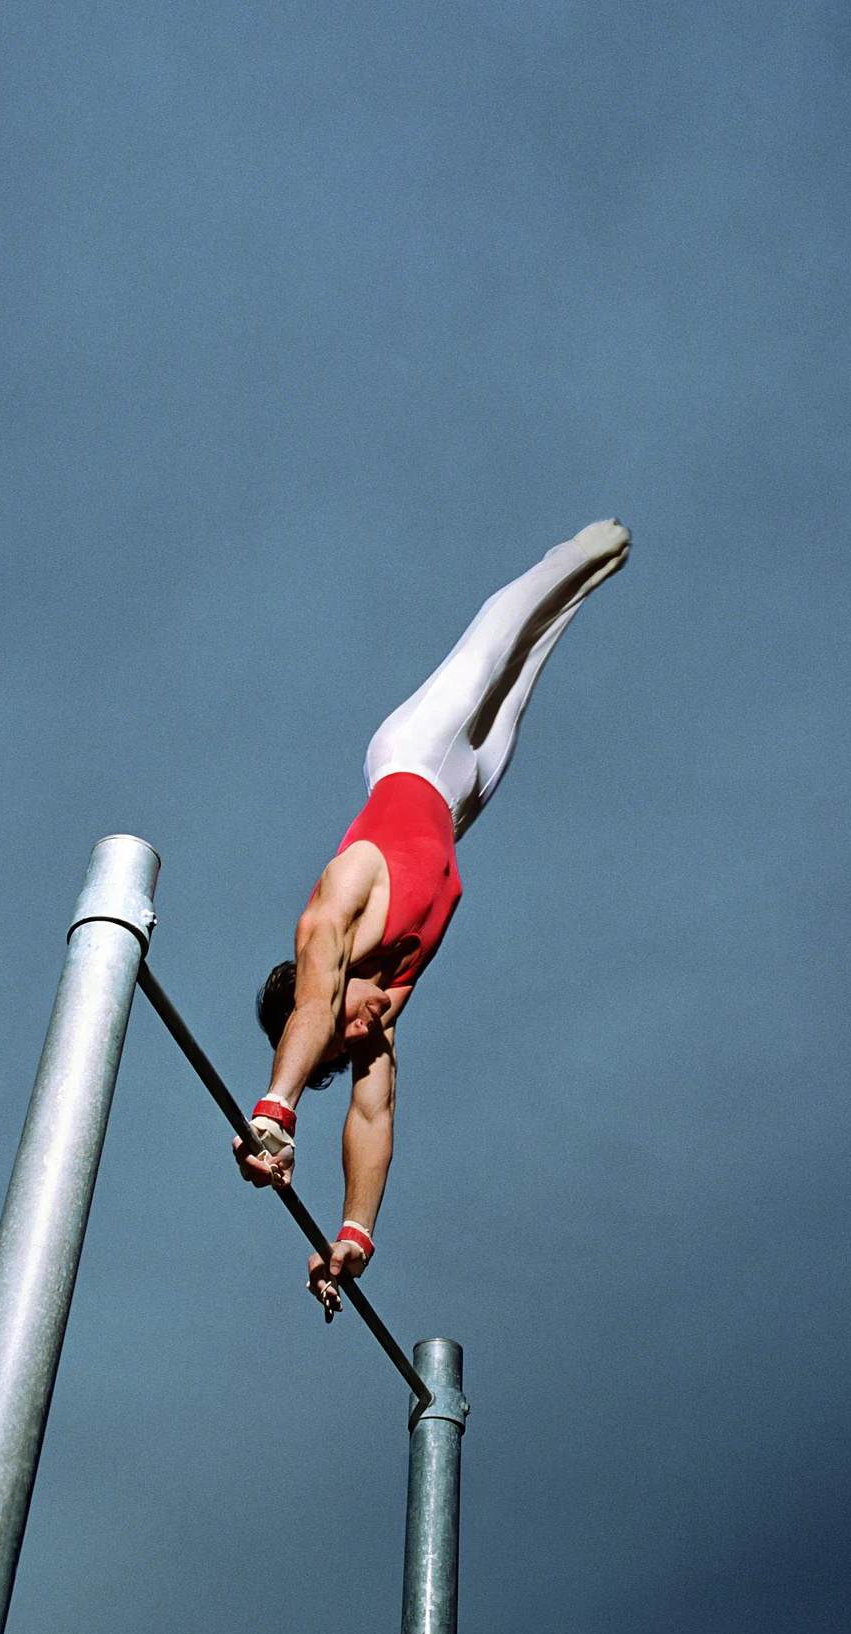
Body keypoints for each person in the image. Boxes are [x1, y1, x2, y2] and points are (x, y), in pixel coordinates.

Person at [233, 519, 631, 1317]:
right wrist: (354, 1236)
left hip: (416, 754)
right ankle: (581, 584)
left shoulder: (335, 917)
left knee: (498, 638)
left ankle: (564, 557)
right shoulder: (382, 1004)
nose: (368, 1025)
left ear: (329, 983)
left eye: (347, 1022)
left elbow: (313, 1008)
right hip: (463, 795)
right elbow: (374, 1109)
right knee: (530, 661)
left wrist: (274, 1116)